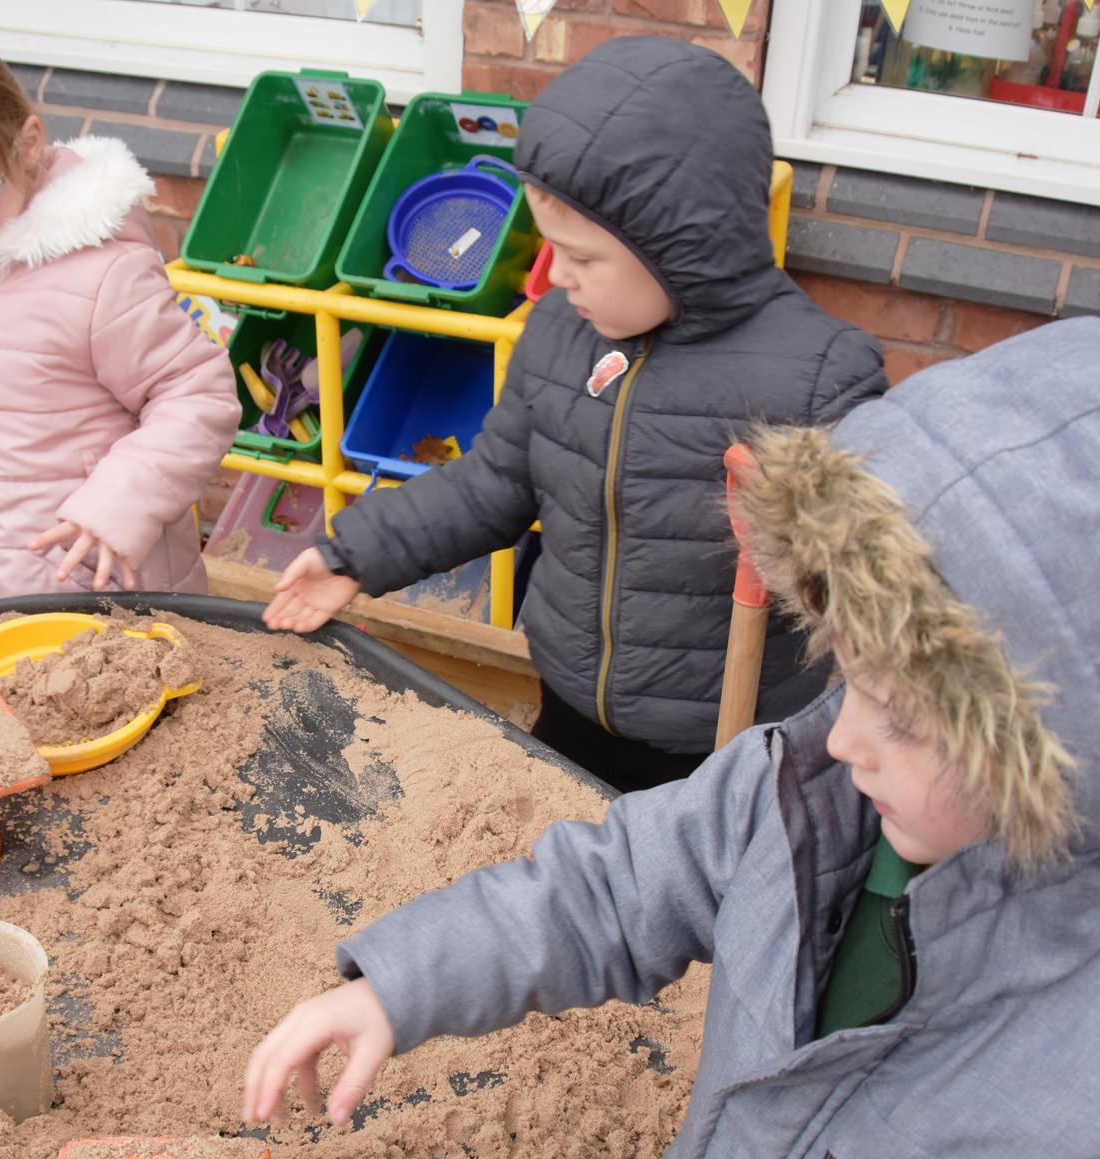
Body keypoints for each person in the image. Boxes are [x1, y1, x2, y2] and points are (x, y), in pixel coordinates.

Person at [244, 319, 1100, 1159]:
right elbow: (607, 886)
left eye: (905, 715)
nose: (841, 735)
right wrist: (400, 983)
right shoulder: (803, 799)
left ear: (1068, 752)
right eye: (847, 673)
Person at [263, 36, 886, 792]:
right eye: (551, 249)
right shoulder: (561, 332)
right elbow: (491, 484)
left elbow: (866, 597)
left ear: (681, 246)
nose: (557, 275)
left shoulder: (818, 379)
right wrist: (353, 554)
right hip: (570, 704)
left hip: (721, 748)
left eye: (583, 258)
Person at [0, 17, 238, 608]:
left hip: (111, 596)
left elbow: (198, 396)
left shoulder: (99, 274)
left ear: (27, 145)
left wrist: (121, 503)